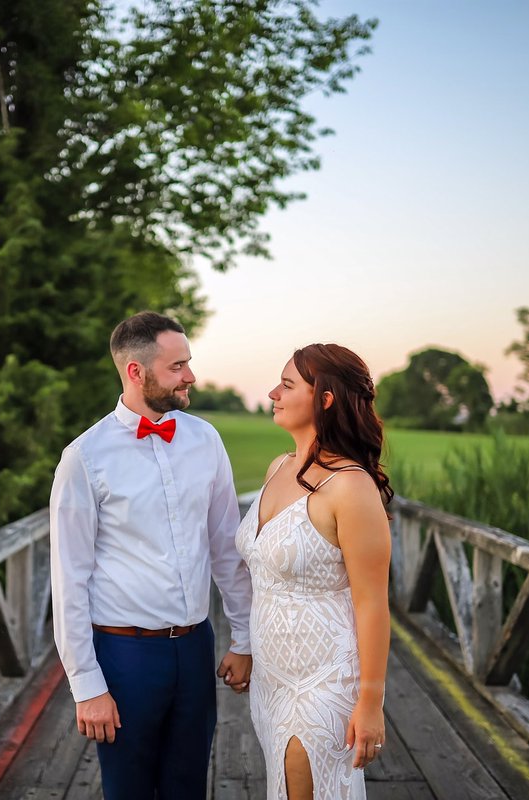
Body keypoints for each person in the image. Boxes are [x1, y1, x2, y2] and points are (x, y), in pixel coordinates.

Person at [49, 311, 254, 800]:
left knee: (189, 788)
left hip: (194, 646)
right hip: (125, 656)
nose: (190, 376)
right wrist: (87, 685)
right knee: (129, 791)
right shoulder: (85, 456)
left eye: (188, 363)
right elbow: (69, 578)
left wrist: (243, 637)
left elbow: (227, 546)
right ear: (136, 372)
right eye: (177, 366)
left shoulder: (206, 439)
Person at [235, 343, 393, 800]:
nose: (272, 393)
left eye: (287, 385)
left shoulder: (350, 487)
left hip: (323, 682)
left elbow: (373, 604)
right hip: (271, 678)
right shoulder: (278, 467)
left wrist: (370, 703)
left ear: (325, 398)